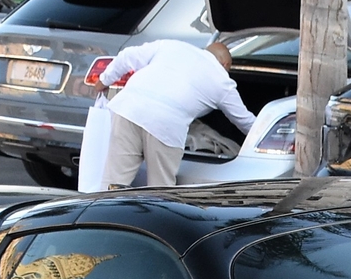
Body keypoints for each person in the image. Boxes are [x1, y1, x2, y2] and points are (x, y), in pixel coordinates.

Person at [95, 38, 257, 188]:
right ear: (226, 64)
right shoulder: (222, 80)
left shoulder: (171, 46)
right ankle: (157, 218)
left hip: (127, 109)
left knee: (113, 182)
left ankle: (97, 215)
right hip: (166, 125)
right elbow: (245, 121)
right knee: (160, 188)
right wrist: (268, 137)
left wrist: (103, 81)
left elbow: (127, 55)